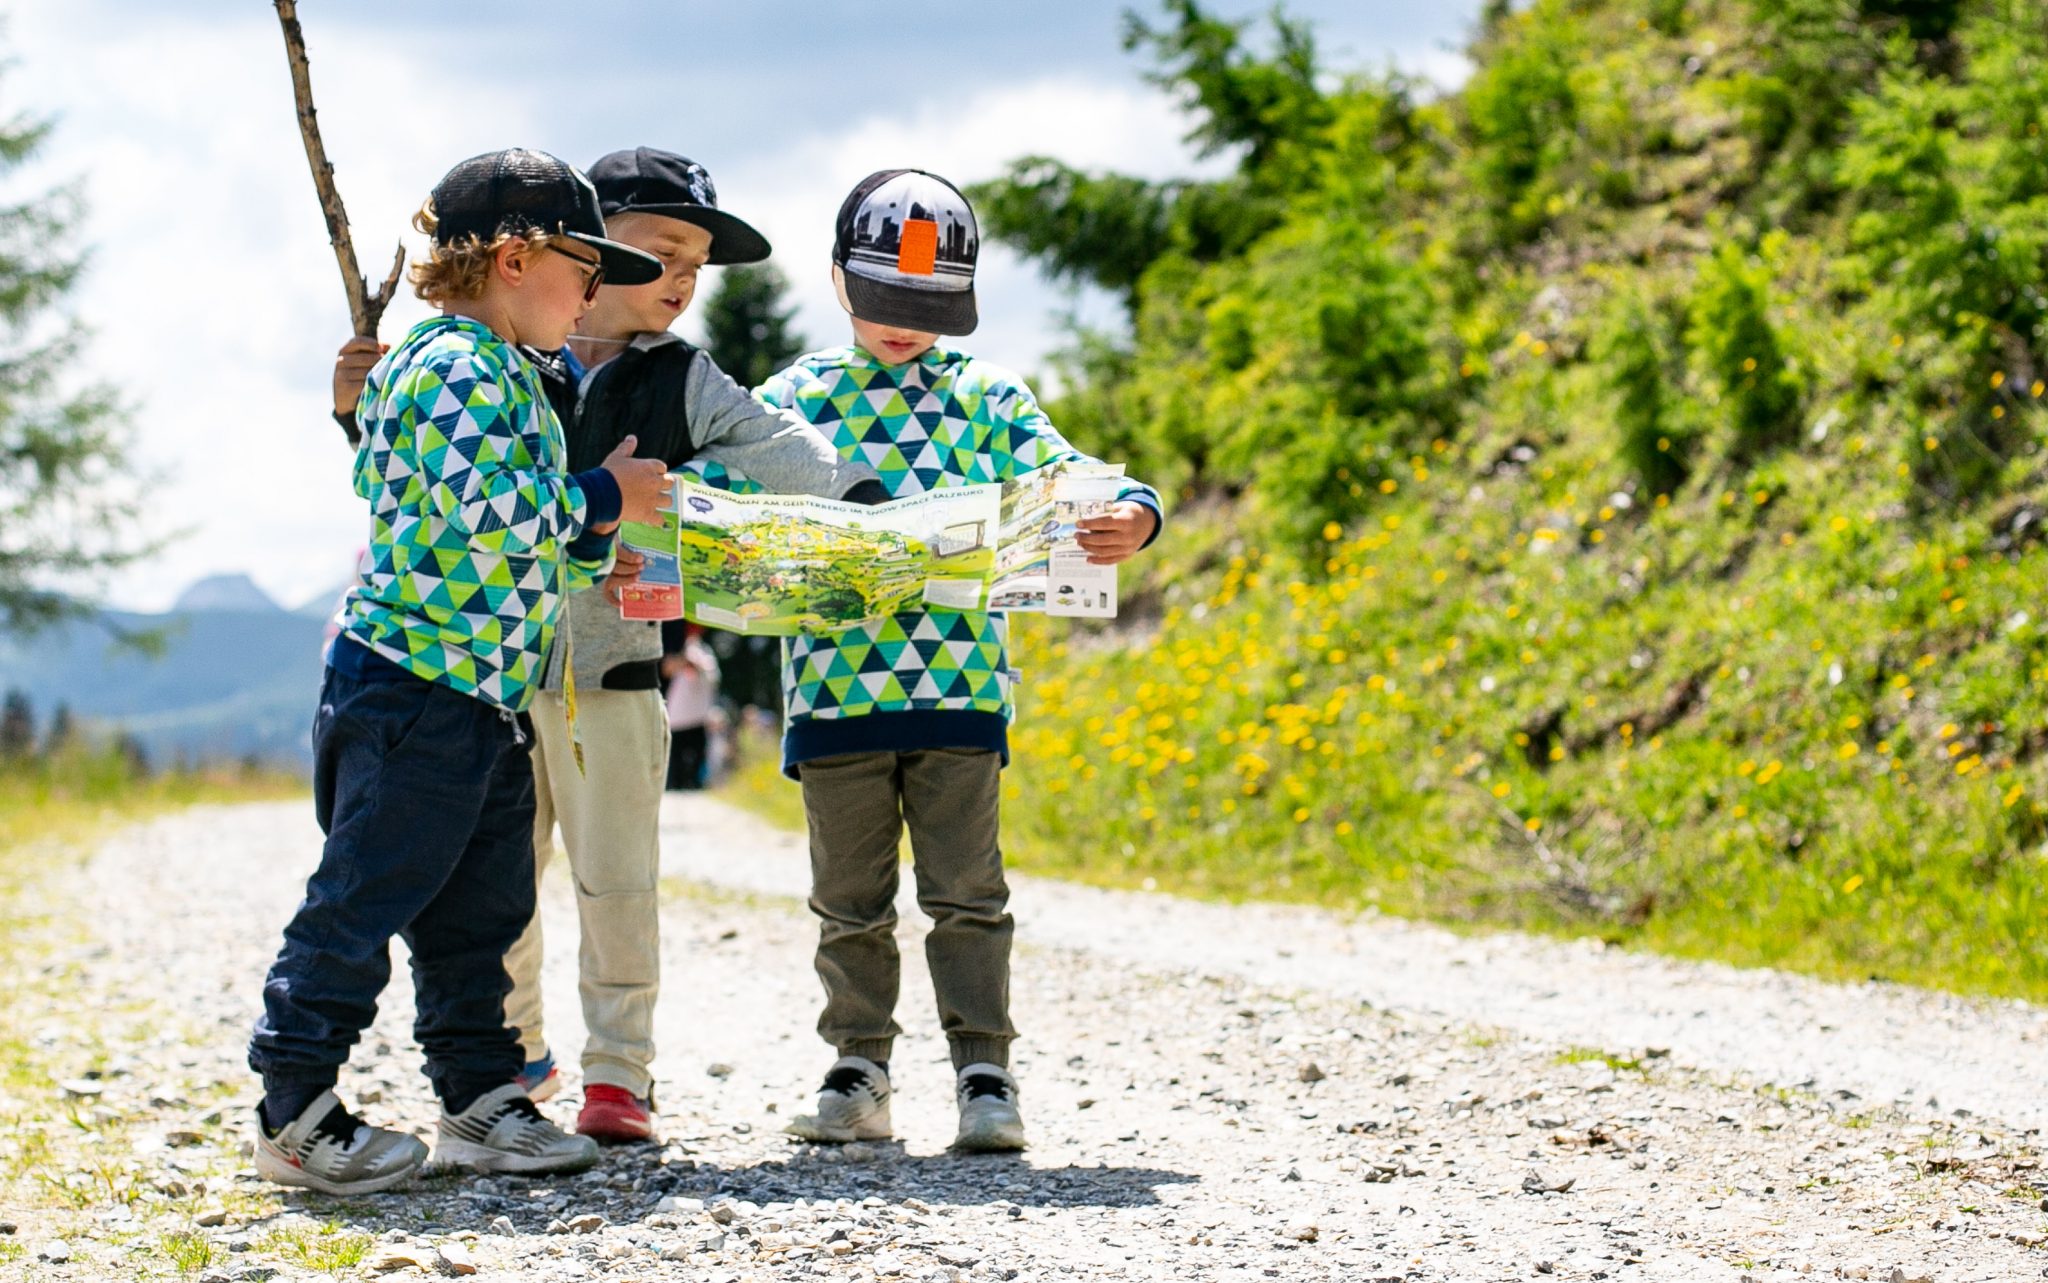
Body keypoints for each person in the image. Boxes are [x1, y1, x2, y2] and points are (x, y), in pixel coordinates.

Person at [329, 148, 883, 1145]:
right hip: (483, 676)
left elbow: (793, 456)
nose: (680, 278)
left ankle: (618, 1073)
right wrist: (350, 412)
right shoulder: (494, 359)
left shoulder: (684, 379)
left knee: (617, 877)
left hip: (621, 670)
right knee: (498, 884)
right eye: (662, 249)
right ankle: (515, 1056)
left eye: (698, 264)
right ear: (586, 240)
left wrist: (861, 508)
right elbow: (425, 494)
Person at [250, 149, 670, 1194]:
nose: (592, 293)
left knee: (476, 916)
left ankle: (481, 1097)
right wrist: (604, 496)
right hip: (408, 691)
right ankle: (292, 1109)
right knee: (363, 898)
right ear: (517, 258)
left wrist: (587, 544)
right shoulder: (449, 366)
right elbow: (485, 512)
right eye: (583, 267)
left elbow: (513, 526)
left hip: (478, 695)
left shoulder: (507, 374)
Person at [756, 170, 1164, 1151]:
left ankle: (985, 1072)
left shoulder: (986, 396)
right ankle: (857, 1066)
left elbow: (1068, 474)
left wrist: (1134, 509)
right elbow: (718, 478)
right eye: (885, 302)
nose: (902, 326)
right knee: (846, 898)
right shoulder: (794, 397)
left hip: (961, 688)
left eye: (926, 308)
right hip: (835, 694)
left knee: (966, 893)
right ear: (836, 281)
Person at [661, 623, 720, 790]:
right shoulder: (678, 651)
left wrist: (694, 665)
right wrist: (683, 661)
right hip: (677, 716)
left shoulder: (704, 651)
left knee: (697, 756)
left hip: (699, 715)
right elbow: (666, 669)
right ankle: (674, 785)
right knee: (675, 759)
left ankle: (695, 785)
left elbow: (713, 677)